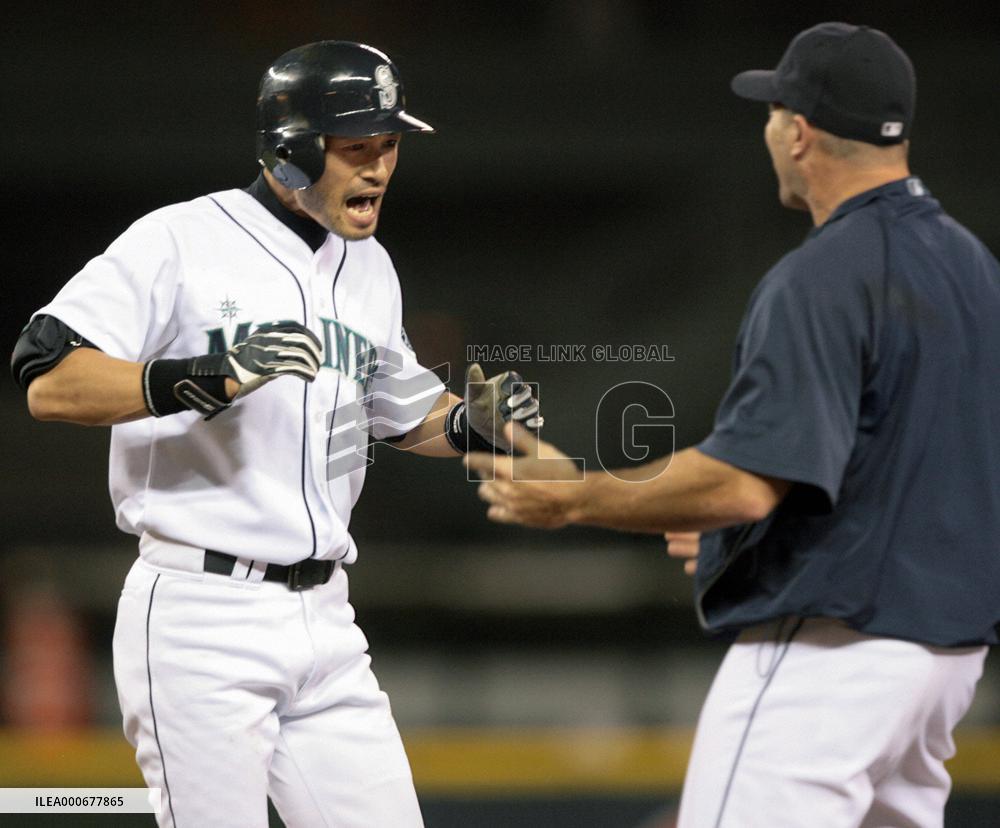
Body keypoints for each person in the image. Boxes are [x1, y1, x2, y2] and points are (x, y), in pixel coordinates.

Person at [466, 22, 1000, 828]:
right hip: (946, 663)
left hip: (833, 656)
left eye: (772, 112)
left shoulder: (822, 275)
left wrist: (574, 496)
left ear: (799, 131)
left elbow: (746, 484)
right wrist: (731, 536)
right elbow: (901, 470)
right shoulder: (973, 269)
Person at [11, 41, 541, 828]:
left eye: (389, 146)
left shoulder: (371, 268)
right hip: (200, 613)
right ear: (291, 150)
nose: (379, 168)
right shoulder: (180, 239)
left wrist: (469, 427)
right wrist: (201, 375)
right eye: (356, 147)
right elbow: (49, 380)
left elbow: (395, 413)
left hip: (326, 618)